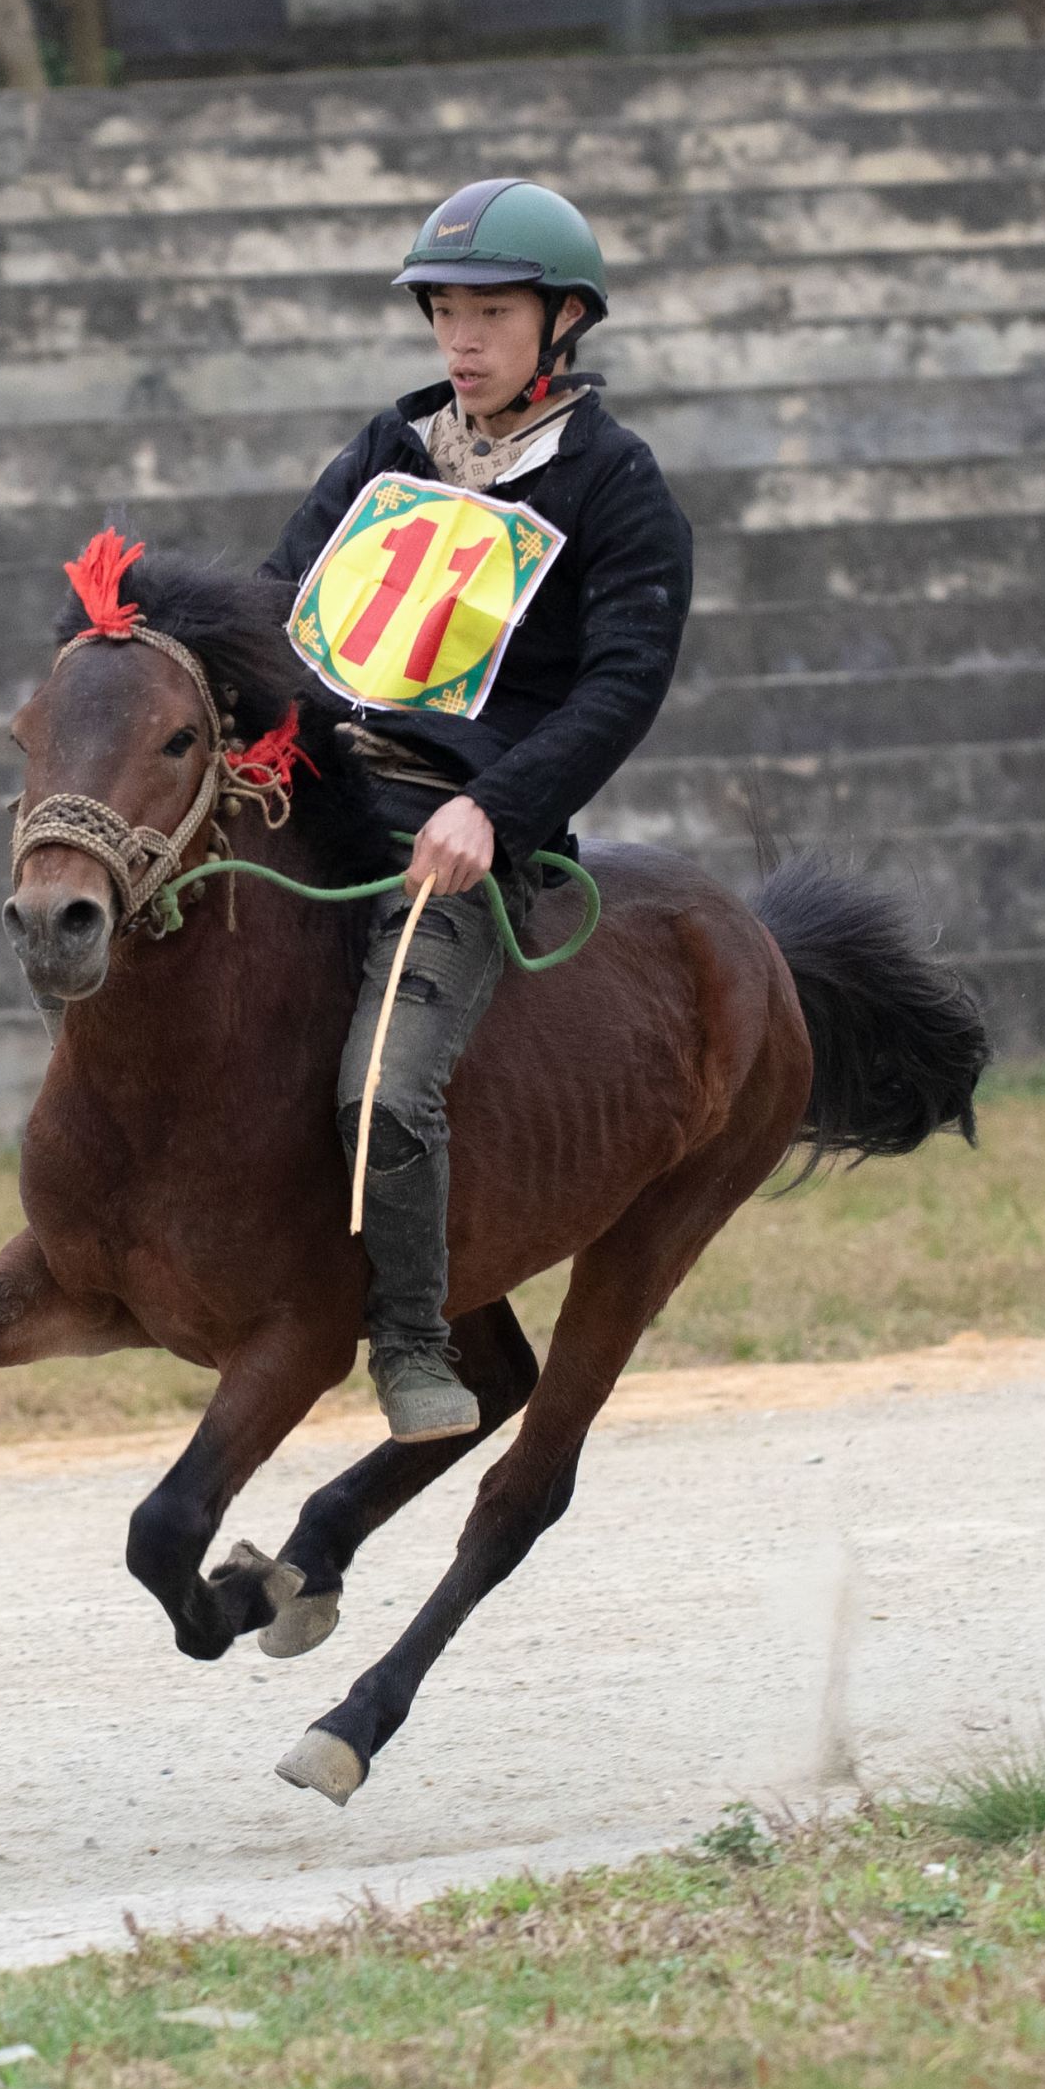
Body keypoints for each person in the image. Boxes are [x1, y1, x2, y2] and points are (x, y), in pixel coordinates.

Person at [265, 181, 692, 1440]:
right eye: (444, 311)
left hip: (455, 832)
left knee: (386, 1092)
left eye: (489, 312)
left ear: (563, 322)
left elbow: (621, 685)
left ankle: (407, 1337)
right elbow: (277, 603)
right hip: (318, 789)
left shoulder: (615, 483)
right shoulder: (387, 449)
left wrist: (493, 810)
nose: (460, 338)